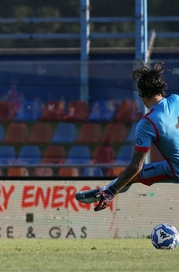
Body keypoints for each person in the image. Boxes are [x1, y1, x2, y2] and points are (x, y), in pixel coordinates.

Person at [76, 61, 179, 211]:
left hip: (176, 169)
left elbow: (136, 166)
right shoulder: (176, 99)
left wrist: (113, 192)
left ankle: (108, 191)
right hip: (170, 165)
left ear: (142, 93)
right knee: (128, 177)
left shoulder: (147, 122)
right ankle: (106, 190)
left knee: (131, 175)